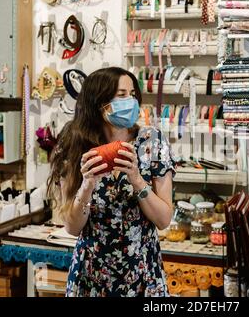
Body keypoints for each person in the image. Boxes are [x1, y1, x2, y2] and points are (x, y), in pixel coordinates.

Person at [47, 67, 176, 297]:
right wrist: (86, 186)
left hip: (142, 275)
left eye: (133, 94)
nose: (131, 101)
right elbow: (72, 227)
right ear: (100, 102)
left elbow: (164, 219)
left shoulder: (152, 142)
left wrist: (137, 180)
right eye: (122, 95)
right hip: (91, 276)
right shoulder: (75, 146)